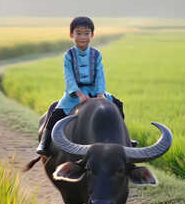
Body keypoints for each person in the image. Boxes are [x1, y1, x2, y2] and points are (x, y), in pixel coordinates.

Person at [36, 16, 124, 156]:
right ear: (72, 35)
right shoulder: (68, 55)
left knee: (118, 105)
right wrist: (78, 93)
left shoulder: (96, 55)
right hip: (74, 94)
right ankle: (45, 141)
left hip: (95, 90)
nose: (82, 37)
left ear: (92, 35)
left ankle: (123, 139)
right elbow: (69, 77)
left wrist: (101, 94)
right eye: (78, 33)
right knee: (56, 112)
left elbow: (100, 75)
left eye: (86, 33)